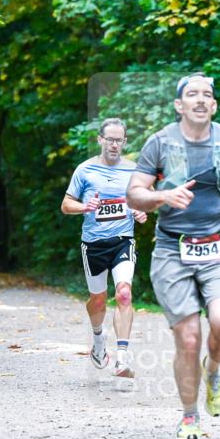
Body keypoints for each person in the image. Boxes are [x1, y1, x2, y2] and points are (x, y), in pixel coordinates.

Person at [126, 73, 220, 439]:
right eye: (192, 95)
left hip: (218, 245)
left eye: (207, 95)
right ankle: (189, 418)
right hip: (172, 248)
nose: (200, 100)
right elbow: (135, 193)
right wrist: (162, 198)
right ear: (179, 105)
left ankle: (212, 372)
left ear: (213, 105)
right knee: (189, 337)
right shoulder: (160, 143)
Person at [62, 118, 147, 378]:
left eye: (119, 140)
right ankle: (98, 338)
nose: (114, 144)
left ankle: (122, 358)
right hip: (93, 244)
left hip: (123, 240)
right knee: (98, 300)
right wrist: (84, 207)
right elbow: (66, 205)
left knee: (123, 293)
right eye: (109, 139)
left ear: (124, 141)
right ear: (100, 139)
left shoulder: (134, 170)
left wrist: (141, 210)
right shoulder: (85, 170)